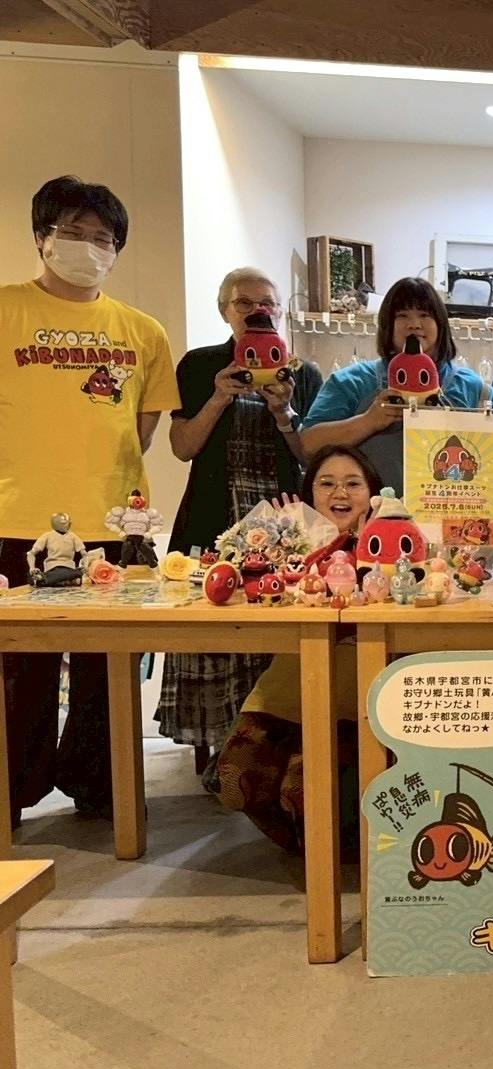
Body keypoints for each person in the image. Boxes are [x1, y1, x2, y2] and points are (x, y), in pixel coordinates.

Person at [0, 176, 179, 822]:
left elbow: (142, 430)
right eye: (73, 233)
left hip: (115, 526)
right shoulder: (6, 310)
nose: (89, 247)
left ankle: (100, 788)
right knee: (22, 672)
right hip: (16, 519)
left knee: (109, 672)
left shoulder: (143, 331)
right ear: (41, 237)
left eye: (103, 238)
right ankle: (13, 791)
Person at [156, 268, 323, 763]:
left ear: (280, 311)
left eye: (267, 302)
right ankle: (217, 750)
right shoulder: (200, 364)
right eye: (244, 303)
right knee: (213, 628)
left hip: (283, 518)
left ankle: (269, 745)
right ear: (225, 311)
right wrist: (219, 396)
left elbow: (311, 457)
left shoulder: (301, 373)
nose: (257, 311)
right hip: (215, 511)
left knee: (276, 631)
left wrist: (283, 413)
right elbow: (182, 447)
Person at [214, 445, 381, 854]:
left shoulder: (392, 543)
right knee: (233, 782)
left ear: (373, 493)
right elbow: (243, 588)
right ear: (309, 495)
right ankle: (310, 846)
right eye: (326, 483)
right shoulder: (291, 542)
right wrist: (273, 539)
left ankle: (334, 854)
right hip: (286, 693)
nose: (339, 492)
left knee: (302, 788)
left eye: (353, 483)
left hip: (355, 701)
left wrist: (372, 542)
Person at [301, 277, 493, 490]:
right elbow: (309, 445)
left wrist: (461, 428)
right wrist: (368, 421)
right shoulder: (352, 382)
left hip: (449, 509)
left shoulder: (473, 388)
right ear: (387, 326)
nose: (414, 324)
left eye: (424, 315)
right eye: (402, 315)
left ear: (441, 324)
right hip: (371, 510)